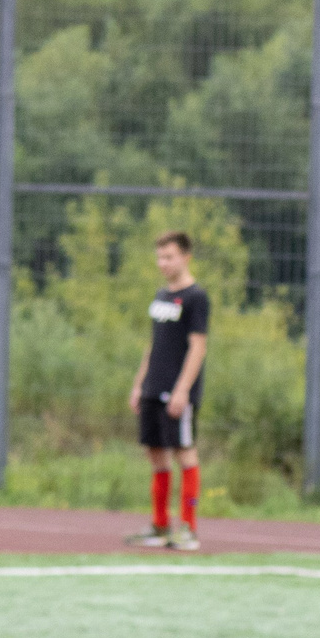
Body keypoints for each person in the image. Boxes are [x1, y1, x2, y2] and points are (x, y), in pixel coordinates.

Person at [123, 230, 208, 551]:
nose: (164, 263)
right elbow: (153, 345)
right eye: (160, 257)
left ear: (186, 257)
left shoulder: (196, 297)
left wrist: (182, 389)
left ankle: (188, 529)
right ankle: (160, 526)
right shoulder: (161, 296)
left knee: (184, 451)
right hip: (153, 387)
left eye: (169, 256)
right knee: (156, 454)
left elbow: (197, 347)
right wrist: (139, 384)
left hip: (177, 390)